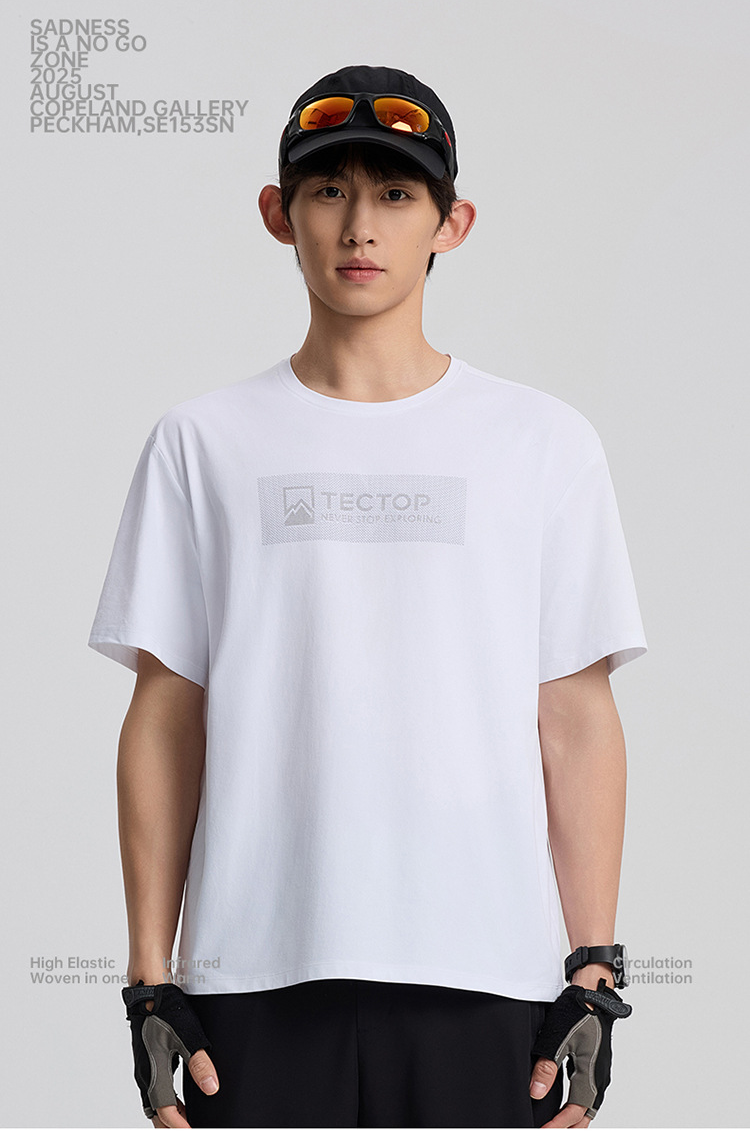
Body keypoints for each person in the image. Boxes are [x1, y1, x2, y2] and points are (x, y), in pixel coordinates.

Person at [88, 64, 647, 1129]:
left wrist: (594, 966)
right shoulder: (202, 442)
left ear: (452, 224)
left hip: (489, 974)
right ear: (278, 213)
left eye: (395, 194)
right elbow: (166, 713)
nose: (360, 226)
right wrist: (148, 978)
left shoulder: (542, 443)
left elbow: (575, 713)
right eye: (328, 191)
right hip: (252, 976)